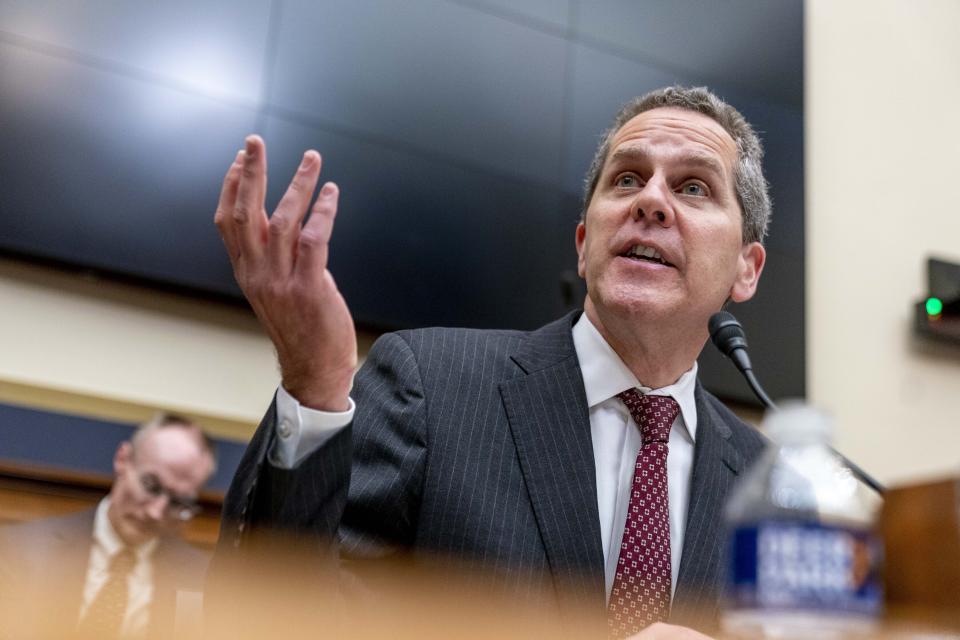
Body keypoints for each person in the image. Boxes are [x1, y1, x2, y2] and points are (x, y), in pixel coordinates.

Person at [211, 85, 770, 638]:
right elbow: (272, 617)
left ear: (747, 268)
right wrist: (314, 384)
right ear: (583, 243)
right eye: (626, 178)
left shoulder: (770, 483)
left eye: (693, 187)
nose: (649, 200)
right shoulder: (429, 384)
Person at [0, 413, 217, 639]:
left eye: (178, 502)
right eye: (151, 485)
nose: (155, 512)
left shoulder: (201, 581)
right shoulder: (22, 551)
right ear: (123, 459)